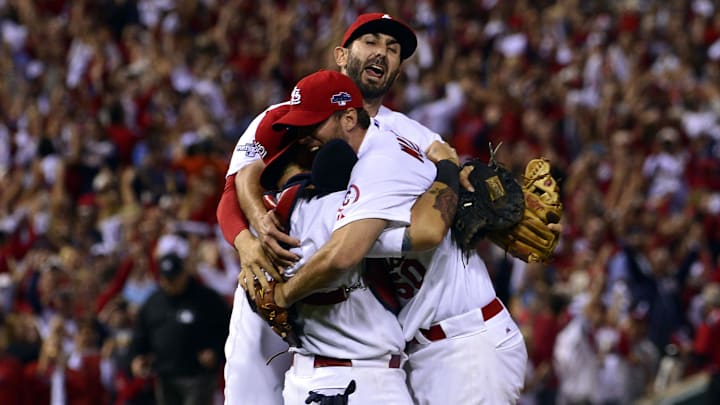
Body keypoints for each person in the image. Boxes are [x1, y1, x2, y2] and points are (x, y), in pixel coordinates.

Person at [216, 13, 452, 405]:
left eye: (393, 49)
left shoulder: (412, 135)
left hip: (358, 294)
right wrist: (248, 241)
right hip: (272, 275)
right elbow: (235, 185)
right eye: (371, 42)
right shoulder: (293, 112)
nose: (382, 53)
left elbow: (449, 176)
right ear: (342, 55)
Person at [269, 67, 528, 403]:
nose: (305, 137)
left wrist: (283, 295)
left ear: (349, 119)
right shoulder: (384, 137)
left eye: (312, 125)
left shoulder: (377, 163)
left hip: (465, 345)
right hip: (433, 349)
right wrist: (447, 164)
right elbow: (439, 150)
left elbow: (352, 252)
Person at [128, 252, 230, 405]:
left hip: (197, 375)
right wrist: (137, 356)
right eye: (166, 279)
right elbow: (141, 334)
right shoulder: (153, 303)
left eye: (174, 278)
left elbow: (227, 330)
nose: (171, 283)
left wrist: (215, 351)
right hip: (164, 375)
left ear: (184, 274)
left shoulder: (207, 299)